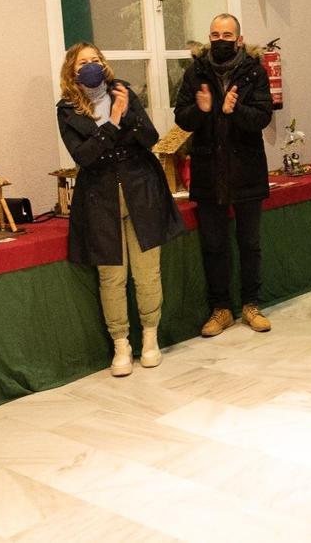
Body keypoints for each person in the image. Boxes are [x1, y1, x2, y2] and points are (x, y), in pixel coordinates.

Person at [57, 43, 184, 376]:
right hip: (100, 199)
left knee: (147, 273)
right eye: (83, 62)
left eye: (95, 60)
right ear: (72, 70)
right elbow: (84, 156)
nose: (91, 66)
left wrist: (127, 114)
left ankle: (150, 338)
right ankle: (121, 345)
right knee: (112, 277)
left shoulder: (122, 92)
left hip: (141, 190)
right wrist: (112, 122)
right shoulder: (67, 109)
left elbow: (151, 137)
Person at [174, 14, 274, 337]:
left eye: (227, 34)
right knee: (214, 245)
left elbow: (262, 116)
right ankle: (221, 310)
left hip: (246, 171)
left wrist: (235, 111)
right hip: (207, 171)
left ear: (239, 40)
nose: (220, 40)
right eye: (215, 34)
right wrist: (201, 110)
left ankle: (251, 305)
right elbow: (182, 119)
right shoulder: (194, 73)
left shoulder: (254, 72)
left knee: (250, 243)